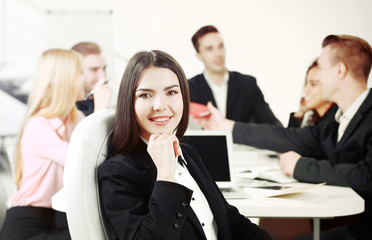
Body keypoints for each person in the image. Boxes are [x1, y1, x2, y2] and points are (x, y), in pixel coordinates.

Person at [192, 34, 372, 240]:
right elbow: (286, 136)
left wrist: (301, 166)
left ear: (340, 71)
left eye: (321, 68)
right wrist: (225, 125)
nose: (317, 77)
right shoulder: (337, 119)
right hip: (348, 220)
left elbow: (367, 176)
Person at [97, 50, 271, 240]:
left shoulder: (188, 152)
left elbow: (227, 218)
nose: (160, 105)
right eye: (146, 95)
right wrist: (165, 175)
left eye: (171, 92)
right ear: (129, 102)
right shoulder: (117, 173)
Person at [0, 49, 85, 240]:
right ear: (66, 80)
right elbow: (81, 162)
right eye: (80, 73)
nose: (85, 80)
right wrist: (100, 112)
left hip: (58, 219)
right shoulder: (38, 126)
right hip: (27, 224)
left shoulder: (75, 119)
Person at [188, 25, 281, 125]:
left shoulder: (248, 84)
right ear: (199, 55)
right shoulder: (189, 88)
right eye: (209, 49)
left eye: (220, 46)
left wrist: (297, 120)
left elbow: (273, 125)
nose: (218, 54)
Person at [288, 58, 334, 128]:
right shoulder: (314, 122)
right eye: (306, 83)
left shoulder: (334, 122)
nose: (305, 90)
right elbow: (291, 137)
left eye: (313, 84)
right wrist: (299, 114)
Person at [72, 41, 112, 116]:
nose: (103, 76)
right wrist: (100, 110)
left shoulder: (100, 100)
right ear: (76, 72)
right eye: (94, 69)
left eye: (104, 68)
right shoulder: (67, 111)